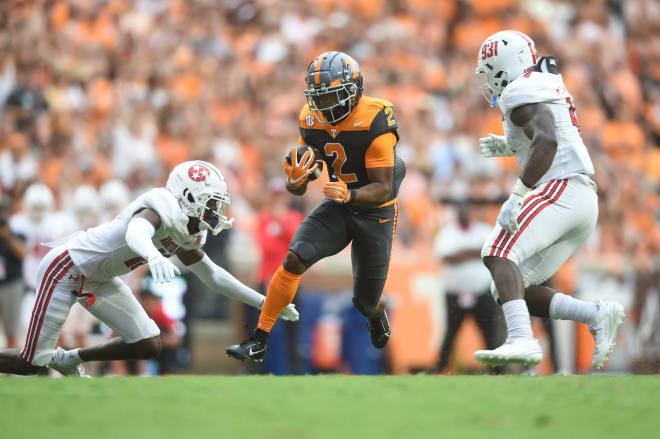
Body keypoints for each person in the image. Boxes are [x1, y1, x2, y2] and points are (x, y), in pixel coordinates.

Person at [0, 160, 298, 376]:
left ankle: (69, 359)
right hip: (67, 268)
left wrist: (266, 302)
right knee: (31, 363)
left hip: (99, 278)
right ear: (189, 196)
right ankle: (48, 360)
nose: (217, 210)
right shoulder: (162, 204)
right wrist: (155, 257)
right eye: (211, 201)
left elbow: (213, 275)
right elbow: (136, 231)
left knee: (148, 343)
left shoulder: (191, 229)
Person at [227, 51, 406, 361]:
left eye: (333, 97)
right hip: (338, 202)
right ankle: (259, 339)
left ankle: (377, 309)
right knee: (295, 257)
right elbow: (297, 187)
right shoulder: (309, 119)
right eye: (319, 98)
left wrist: (349, 195)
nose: (325, 106)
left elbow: (383, 187)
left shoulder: (376, 117)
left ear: (354, 90)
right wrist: (295, 179)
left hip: (375, 209)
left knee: (364, 301)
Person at [473, 30, 624, 369]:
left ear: (503, 65)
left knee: (497, 253)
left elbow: (547, 142)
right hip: (581, 197)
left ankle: (522, 341)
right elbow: (545, 131)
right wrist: (510, 144)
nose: (487, 79)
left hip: (562, 187)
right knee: (511, 286)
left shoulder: (519, 90)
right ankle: (596, 314)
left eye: (488, 69)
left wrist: (517, 195)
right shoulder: (539, 81)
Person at [433, 201, 503, 373]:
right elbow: (446, 257)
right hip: (455, 293)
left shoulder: (483, 229)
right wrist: (475, 252)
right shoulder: (447, 232)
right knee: (450, 334)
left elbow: (490, 254)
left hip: (482, 291)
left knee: (490, 334)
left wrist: (462, 253)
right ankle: (439, 368)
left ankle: (496, 370)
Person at [0, 196, 27, 348]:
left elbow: (23, 253)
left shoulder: (17, 234)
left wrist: (7, 236)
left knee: (11, 332)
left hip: (11, 285)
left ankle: (9, 370)